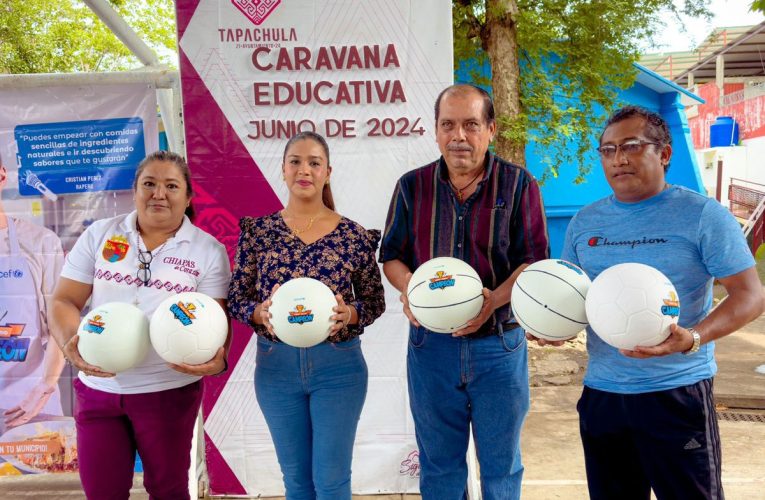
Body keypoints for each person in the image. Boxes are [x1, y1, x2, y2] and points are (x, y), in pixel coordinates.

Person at [535, 105, 765, 499]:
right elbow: (576, 297)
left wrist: (693, 336)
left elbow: (750, 295)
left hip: (676, 393)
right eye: (607, 150)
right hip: (603, 395)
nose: (618, 158)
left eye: (631, 146)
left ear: (664, 153)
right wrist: (555, 326)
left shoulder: (702, 216)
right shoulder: (585, 222)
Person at [379, 84, 550, 500]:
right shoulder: (411, 187)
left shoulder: (518, 185)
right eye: (448, 125)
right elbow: (392, 256)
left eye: (471, 125)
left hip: (499, 348)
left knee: (501, 466)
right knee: (439, 466)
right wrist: (410, 290)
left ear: (490, 130)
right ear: (435, 132)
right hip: (431, 349)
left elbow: (534, 259)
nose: (459, 136)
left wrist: (494, 298)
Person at [50, 151, 232, 499]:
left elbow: (216, 320)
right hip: (99, 389)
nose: (158, 193)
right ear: (134, 190)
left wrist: (216, 359)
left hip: (167, 392)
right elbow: (64, 300)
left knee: (168, 492)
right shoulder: (100, 234)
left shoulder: (208, 251)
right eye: (149, 183)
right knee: (103, 492)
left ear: (188, 197)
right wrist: (71, 342)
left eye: (171, 185)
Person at [228, 131, 385, 500]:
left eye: (314, 163)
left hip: (339, 368)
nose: (305, 170)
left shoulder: (354, 236)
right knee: (296, 481)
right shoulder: (259, 233)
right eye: (296, 161)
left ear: (327, 172)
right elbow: (236, 296)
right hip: (276, 367)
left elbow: (374, 301)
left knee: (331, 481)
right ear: (283, 170)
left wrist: (350, 313)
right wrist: (257, 312)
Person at [0, 163, 67, 428]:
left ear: (2, 175)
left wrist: (47, 384)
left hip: (30, 406)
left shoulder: (41, 243)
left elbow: (60, 325)